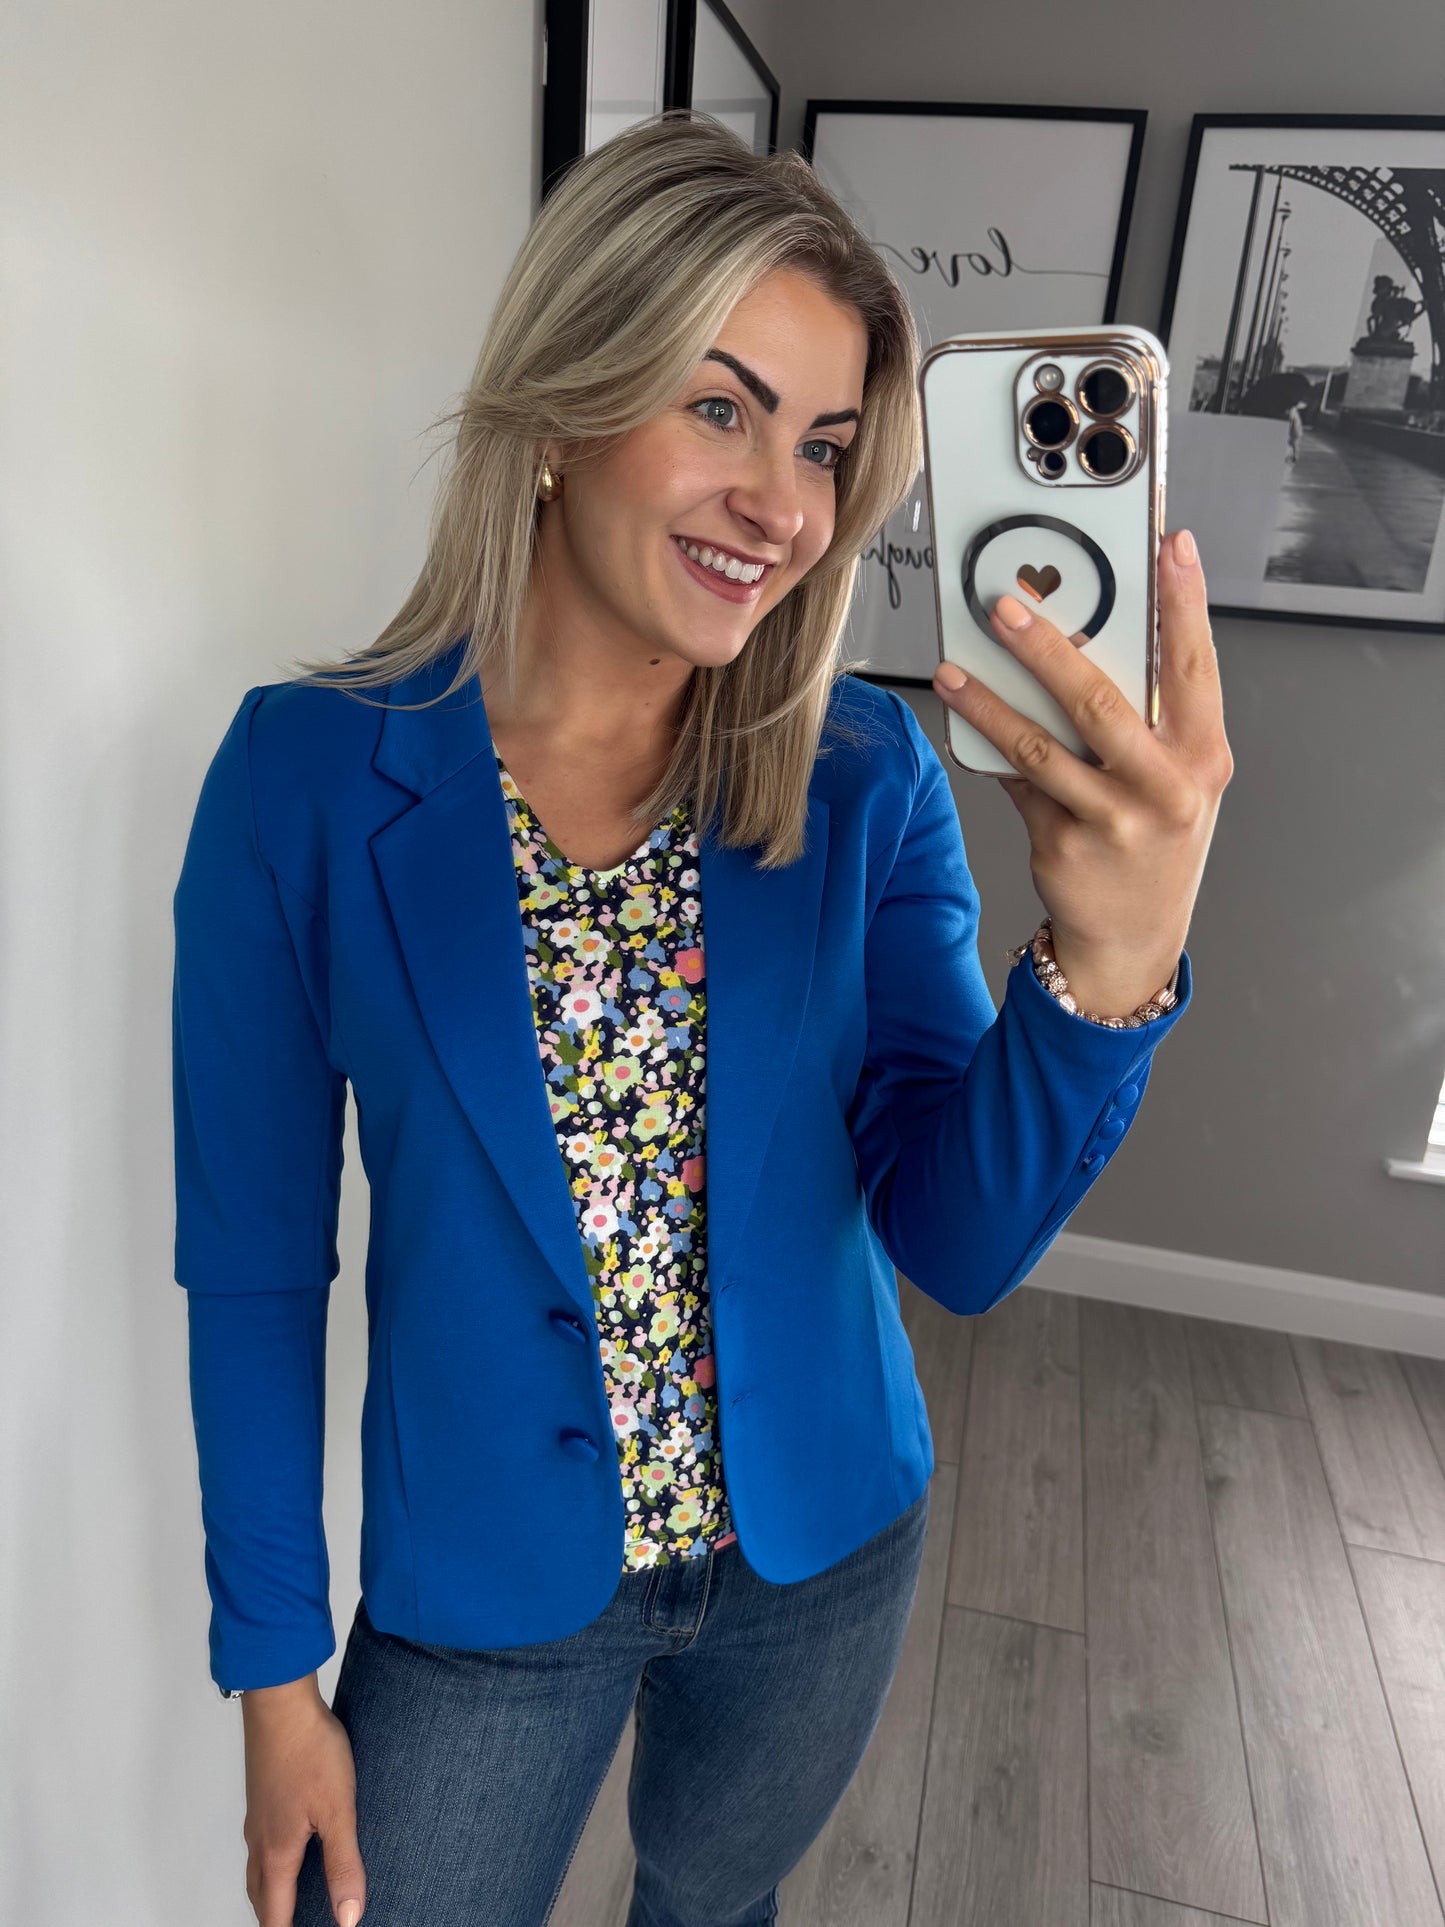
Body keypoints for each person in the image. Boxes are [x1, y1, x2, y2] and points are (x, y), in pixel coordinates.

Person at [170, 110, 1230, 1927]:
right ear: (565, 406)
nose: (784, 508)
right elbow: (255, 1266)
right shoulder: (305, 781)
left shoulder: (863, 775)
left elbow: (955, 1241)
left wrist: (1110, 966)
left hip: (822, 1553)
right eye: (720, 410)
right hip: (486, 1591)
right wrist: (275, 1676)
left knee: (713, 1911)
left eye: (822, 446)